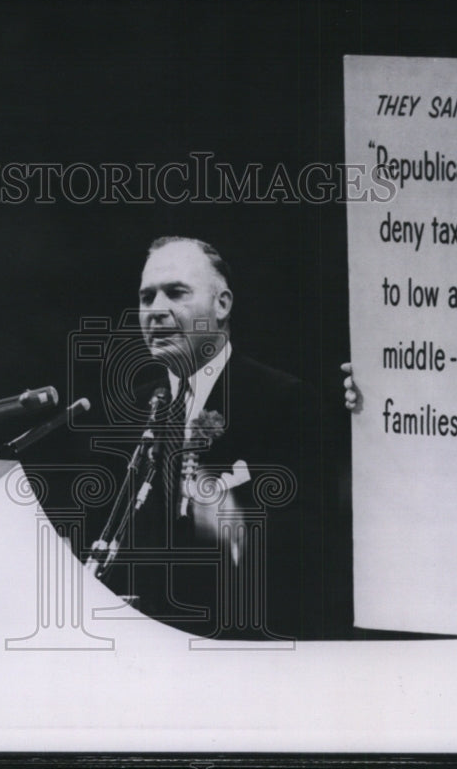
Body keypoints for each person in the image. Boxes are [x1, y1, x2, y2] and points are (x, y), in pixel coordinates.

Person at [59, 236, 352, 640]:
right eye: (146, 298)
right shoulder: (122, 412)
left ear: (222, 305)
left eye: (176, 293)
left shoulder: (286, 402)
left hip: (240, 648)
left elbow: (318, 543)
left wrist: (238, 525)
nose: (156, 311)